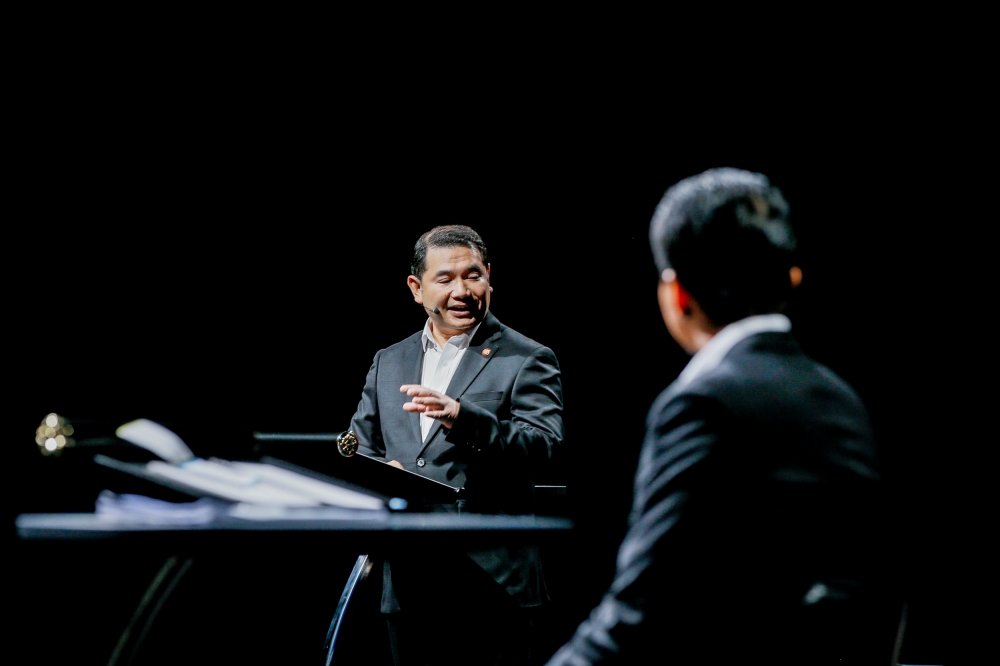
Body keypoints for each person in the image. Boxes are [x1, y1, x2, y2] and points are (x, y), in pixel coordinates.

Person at [545, 168, 894, 665]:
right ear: (791, 278)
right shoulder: (843, 401)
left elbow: (638, 615)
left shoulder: (701, 404)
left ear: (676, 294)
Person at [349, 224, 565, 666]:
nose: (462, 290)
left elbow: (545, 447)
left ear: (489, 277)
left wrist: (463, 418)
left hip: (495, 587)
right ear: (416, 287)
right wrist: (378, 474)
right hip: (409, 584)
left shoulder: (527, 357)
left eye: (473, 276)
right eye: (445, 279)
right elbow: (360, 450)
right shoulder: (388, 361)